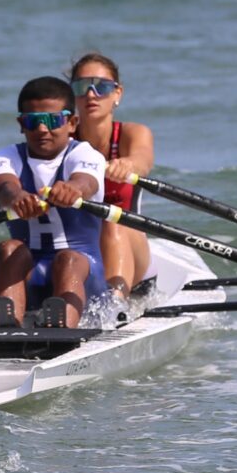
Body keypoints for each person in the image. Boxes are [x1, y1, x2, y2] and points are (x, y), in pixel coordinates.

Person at [0, 76, 108, 329]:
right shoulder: (2, 157)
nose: (42, 129)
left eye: (53, 120)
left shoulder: (86, 155)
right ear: (21, 124)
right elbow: (2, 185)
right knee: (9, 249)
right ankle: (7, 331)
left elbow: (86, 182)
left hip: (83, 275)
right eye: (33, 121)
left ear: (72, 123)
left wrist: (72, 190)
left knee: (68, 259)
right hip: (28, 275)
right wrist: (14, 197)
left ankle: (61, 333)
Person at [69, 53, 154, 300]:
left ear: (117, 93)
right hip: (78, 247)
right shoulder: (61, 138)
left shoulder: (131, 133)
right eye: (82, 87)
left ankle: (114, 304)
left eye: (102, 86)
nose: (92, 94)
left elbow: (143, 160)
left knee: (111, 219)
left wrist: (128, 165)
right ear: (72, 94)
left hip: (129, 243)